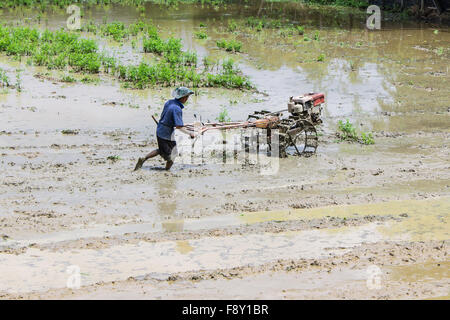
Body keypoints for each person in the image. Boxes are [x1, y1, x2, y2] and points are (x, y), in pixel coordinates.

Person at [134, 87, 195, 171]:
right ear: (184, 98)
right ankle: (166, 171)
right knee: (172, 156)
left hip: (161, 130)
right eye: (187, 97)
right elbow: (179, 126)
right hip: (166, 134)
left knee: (162, 150)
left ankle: (144, 159)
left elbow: (170, 119)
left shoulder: (169, 102)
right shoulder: (177, 109)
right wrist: (190, 133)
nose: (187, 99)